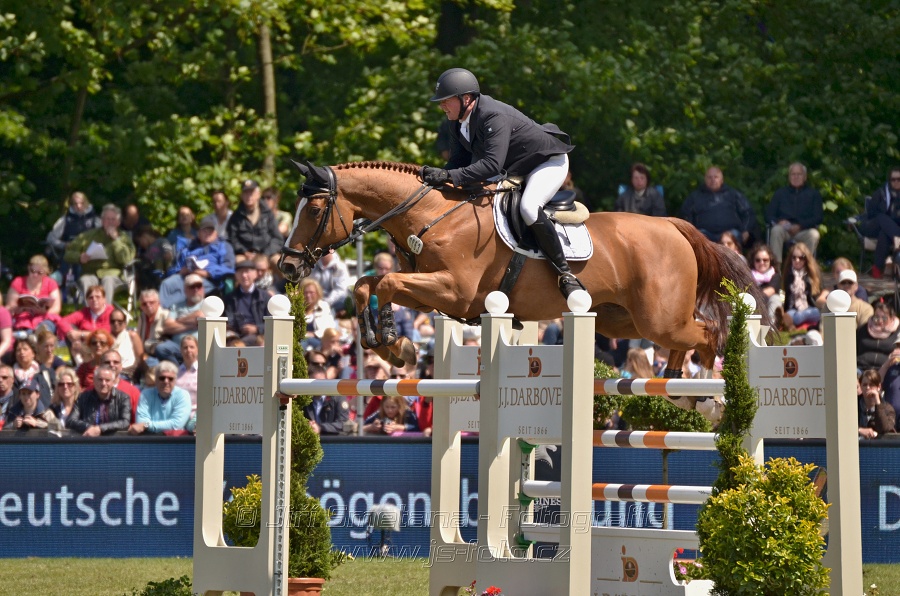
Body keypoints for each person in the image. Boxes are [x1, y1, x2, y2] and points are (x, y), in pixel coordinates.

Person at [421, 68, 581, 298]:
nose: (442, 106)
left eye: (446, 101)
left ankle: (565, 273)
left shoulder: (492, 116)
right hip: (514, 167)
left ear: (466, 99)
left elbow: (491, 166)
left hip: (546, 162)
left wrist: (448, 177)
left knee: (528, 207)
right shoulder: (455, 122)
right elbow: (458, 161)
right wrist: (436, 182)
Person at [64, 203, 136, 305]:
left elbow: (125, 259)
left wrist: (116, 240)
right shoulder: (88, 236)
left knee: (108, 280)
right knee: (85, 280)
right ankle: (89, 316)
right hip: (91, 273)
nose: (110, 222)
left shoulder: (124, 238)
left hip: (114, 274)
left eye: (113, 219)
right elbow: (68, 253)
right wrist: (79, 257)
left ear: (118, 222)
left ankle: (105, 315)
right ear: (102, 221)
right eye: (107, 219)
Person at [159, 214, 235, 308]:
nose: (207, 233)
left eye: (210, 231)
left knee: (186, 290)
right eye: (204, 231)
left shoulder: (223, 246)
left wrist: (208, 273)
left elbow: (229, 268)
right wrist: (180, 271)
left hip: (209, 280)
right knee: (166, 284)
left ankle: (169, 316)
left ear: (216, 233)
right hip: (185, 276)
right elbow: (173, 269)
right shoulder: (189, 248)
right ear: (198, 233)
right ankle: (160, 316)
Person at [45, 191, 101, 303]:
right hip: (70, 252)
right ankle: (62, 282)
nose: (78, 206)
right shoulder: (65, 220)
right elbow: (50, 238)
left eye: (81, 203)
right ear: (71, 205)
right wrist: (63, 244)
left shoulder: (95, 219)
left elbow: (103, 239)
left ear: (86, 203)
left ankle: (61, 277)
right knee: (72, 256)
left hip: (90, 255)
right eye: (75, 204)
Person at [679, 167, 758, 244]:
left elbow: (748, 213)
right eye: (709, 177)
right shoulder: (695, 197)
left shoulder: (733, 195)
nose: (713, 180)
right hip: (704, 234)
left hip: (730, 233)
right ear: (705, 179)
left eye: (716, 177)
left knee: (734, 236)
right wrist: (691, 233)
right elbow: (685, 216)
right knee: (698, 237)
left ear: (722, 180)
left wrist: (746, 230)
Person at [765, 163, 823, 265]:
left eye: (799, 174)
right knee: (776, 230)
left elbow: (818, 218)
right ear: (789, 177)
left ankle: (806, 266)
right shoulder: (780, 193)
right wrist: (779, 222)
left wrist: (800, 225)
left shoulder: (814, 194)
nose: (795, 177)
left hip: (803, 230)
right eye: (793, 174)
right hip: (784, 230)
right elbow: (769, 215)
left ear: (804, 177)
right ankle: (776, 269)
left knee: (814, 234)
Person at [226, 179, 283, 267]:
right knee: (234, 263)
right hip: (244, 255)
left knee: (280, 263)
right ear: (241, 195)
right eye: (245, 193)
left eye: (251, 192)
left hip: (267, 254)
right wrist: (244, 252)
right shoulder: (236, 216)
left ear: (258, 194)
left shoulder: (268, 214)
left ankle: (289, 281)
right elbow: (232, 239)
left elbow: (277, 239)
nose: (249, 196)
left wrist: (265, 254)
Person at [858, 166, 900, 278]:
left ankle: (877, 269)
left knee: (884, 233)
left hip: (887, 231)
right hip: (872, 226)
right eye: (893, 179)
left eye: (898, 179)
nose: (896, 182)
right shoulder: (881, 193)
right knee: (882, 217)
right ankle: (897, 237)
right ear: (889, 180)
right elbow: (871, 213)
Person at [67, 364, 132, 436]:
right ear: (94, 381)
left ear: (113, 382)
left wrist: (100, 429)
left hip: (113, 442)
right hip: (89, 440)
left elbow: (125, 423)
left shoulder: (123, 398)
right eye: (100, 379)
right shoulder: (83, 397)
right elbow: (71, 420)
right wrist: (90, 427)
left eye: (107, 380)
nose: (103, 383)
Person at [129, 361, 192, 435]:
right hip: (150, 440)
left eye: (170, 379)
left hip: (175, 442)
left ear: (175, 380)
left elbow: (176, 425)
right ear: (156, 379)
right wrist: (145, 425)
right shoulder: (145, 394)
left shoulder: (183, 395)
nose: (166, 381)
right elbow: (140, 422)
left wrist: (147, 425)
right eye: (162, 378)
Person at [6, 255, 63, 335]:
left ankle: (35, 334)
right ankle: (32, 335)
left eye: (39, 273)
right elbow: (10, 307)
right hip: (23, 318)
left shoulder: (51, 283)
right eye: (33, 271)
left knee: (47, 325)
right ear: (28, 268)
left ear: (46, 272)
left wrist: (43, 312)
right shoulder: (18, 282)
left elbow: (56, 308)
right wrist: (20, 308)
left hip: (44, 318)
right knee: (23, 324)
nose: (35, 275)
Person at [59, 285, 114, 366]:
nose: (94, 300)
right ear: (87, 301)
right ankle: (79, 364)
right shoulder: (84, 312)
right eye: (91, 297)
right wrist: (70, 333)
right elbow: (62, 321)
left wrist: (81, 334)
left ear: (104, 299)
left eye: (98, 297)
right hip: (83, 346)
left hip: (103, 346)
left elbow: (105, 333)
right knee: (70, 330)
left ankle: (83, 364)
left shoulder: (110, 312)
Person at [156, 277, 206, 364]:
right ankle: (180, 371)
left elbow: (201, 316)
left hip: (201, 347)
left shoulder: (208, 304)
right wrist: (192, 323)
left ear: (203, 288)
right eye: (192, 287)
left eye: (199, 286)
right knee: (161, 348)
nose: (196, 289)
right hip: (178, 347)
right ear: (185, 290)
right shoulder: (176, 306)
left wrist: (178, 321)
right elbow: (168, 327)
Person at [223, 260, 272, 346]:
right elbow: (228, 320)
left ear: (255, 274)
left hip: (259, 337)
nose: (244, 275)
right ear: (236, 275)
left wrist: (257, 328)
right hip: (237, 336)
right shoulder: (230, 298)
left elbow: (272, 323)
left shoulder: (264, 297)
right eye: (241, 272)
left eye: (247, 272)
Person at [301, 351, 349, 435]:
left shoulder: (337, 397)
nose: (319, 386)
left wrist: (320, 427)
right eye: (314, 383)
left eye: (322, 383)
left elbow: (343, 424)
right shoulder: (303, 399)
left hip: (332, 443)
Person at [780, 243, 826, 328]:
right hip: (792, 309)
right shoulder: (788, 275)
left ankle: (788, 323)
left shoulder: (813, 275)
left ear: (806, 259)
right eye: (794, 258)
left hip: (810, 308)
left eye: (801, 258)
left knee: (803, 315)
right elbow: (784, 295)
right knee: (790, 314)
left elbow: (822, 291)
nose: (797, 260)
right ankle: (788, 322)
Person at [98, 349, 141, 424]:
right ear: (100, 366)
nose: (111, 365)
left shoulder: (133, 392)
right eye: (107, 362)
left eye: (116, 362)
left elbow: (139, 422)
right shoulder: (90, 391)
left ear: (121, 366)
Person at [11, 336, 53, 409]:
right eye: (18, 350)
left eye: (25, 349)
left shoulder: (44, 372)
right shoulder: (9, 375)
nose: (21, 352)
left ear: (33, 353)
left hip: (42, 413)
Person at [857, 302, 900, 371]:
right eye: (876, 317)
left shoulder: (898, 331)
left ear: (892, 318)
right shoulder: (863, 329)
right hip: (862, 368)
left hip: (887, 369)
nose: (880, 321)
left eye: (884, 318)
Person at [132, 225, 175, 291]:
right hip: (152, 273)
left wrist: (168, 252)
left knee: (159, 261)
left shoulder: (160, 241)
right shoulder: (146, 252)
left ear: (145, 236)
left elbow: (166, 246)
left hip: (163, 266)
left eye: (140, 242)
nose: (140, 245)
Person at [136, 289, 170, 373]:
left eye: (151, 302)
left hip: (157, 356)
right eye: (144, 304)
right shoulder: (142, 317)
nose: (148, 305)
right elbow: (138, 338)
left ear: (158, 303)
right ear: (141, 306)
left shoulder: (166, 316)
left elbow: (164, 342)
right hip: (143, 354)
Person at [309, 250, 351, 316]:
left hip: (336, 302)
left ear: (332, 251)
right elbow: (310, 284)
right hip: (317, 301)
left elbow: (340, 290)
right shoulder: (313, 266)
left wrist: (326, 302)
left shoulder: (340, 267)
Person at [858, 369, 896, 439]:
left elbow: (884, 429)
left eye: (871, 385)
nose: (868, 388)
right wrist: (859, 430)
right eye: (865, 385)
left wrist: (878, 403)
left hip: (877, 447)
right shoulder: (854, 405)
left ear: (878, 387)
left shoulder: (888, 409)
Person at [748, 244, 783, 319]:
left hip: (768, 306)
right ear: (753, 261)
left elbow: (770, 291)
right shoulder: (748, 276)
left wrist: (756, 294)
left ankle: (772, 325)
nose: (761, 263)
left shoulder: (775, 276)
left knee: (775, 298)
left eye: (765, 260)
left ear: (770, 260)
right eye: (758, 260)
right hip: (754, 307)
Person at [301, 278, 336, 350]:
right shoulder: (298, 308)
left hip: (318, 341)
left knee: (305, 340)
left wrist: (314, 334)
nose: (308, 295)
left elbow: (329, 327)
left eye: (311, 292)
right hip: (301, 340)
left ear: (317, 293)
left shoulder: (324, 307)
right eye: (306, 292)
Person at [108, 310, 143, 381]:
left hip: (127, 373)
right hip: (109, 373)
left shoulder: (132, 336)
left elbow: (140, 358)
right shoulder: (106, 338)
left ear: (125, 323)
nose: (116, 323)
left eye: (119, 321)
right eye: (113, 321)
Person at [176, 336, 199, 432]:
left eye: (191, 347)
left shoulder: (204, 371)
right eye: (185, 348)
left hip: (198, 417)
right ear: (181, 350)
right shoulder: (175, 373)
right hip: (179, 416)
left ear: (197, 349)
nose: (188, 350)